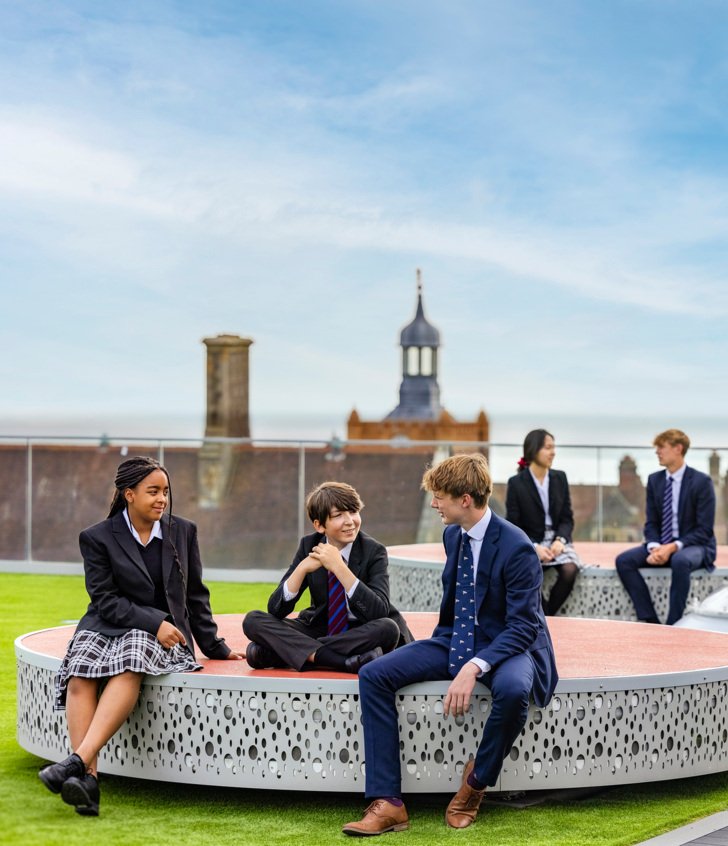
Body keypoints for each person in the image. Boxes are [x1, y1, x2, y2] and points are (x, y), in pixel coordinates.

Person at [342, 454, 557, 836]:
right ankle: (388, 803)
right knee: (374, 675)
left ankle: (475, 785)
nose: (433, 503)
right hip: (454, 640)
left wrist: (475, 666)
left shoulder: (517, 547)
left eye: (439, 496)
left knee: (511, 690)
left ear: (467, 499)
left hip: (509, 646)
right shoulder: (452, 535)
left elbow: (524, 626)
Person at [38, 456, 240, 816]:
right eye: (153, 491)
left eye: (165, 491)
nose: (162, 499)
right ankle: (89, 780)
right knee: (80, 674)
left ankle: (75, 763)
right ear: (128, 494)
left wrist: (214, 646)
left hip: (162, 634)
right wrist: (153, 622)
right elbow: (105, 600)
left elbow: (195, 594)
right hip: (106, 623)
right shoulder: (97, 537)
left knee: (129, 662)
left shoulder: (183, 531)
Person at [243, 481, 412, 673]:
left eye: (354, 512)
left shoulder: (374, 551)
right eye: (338, 515)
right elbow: (276, 610)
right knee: (253, 620)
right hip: (322, 626)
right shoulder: (309, 545)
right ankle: (339, 661)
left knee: (387, 628)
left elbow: (378, 612)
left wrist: (339, 567)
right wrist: (301, 570)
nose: (350, 521)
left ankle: (287, 652)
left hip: (362, 630)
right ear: (319, 525)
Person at [616, 429, 716, 625]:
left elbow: (704, 531)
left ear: (678, 449)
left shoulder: (701, 482)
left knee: (679, 561)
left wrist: (672, 547)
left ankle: (673, 624)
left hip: (695, 546)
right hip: (662, 546)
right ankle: (651, 620)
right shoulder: (655, 480)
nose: (657, 452)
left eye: (662, 447)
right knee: (624, 561)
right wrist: (654, 547)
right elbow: (651, 522)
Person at [506, 429, 582, 615]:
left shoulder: (560, 477)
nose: (553, 452)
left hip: (556, 540)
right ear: (533, 450)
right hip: (529, 540)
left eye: (554, 447)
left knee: (570, 570)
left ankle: (547, 615)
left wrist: (560, 540)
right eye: (548, 447)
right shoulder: (516, 483)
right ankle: (543, 614)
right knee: (527, 572)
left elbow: (566, 518)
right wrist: (534, 546)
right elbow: (514, 524)